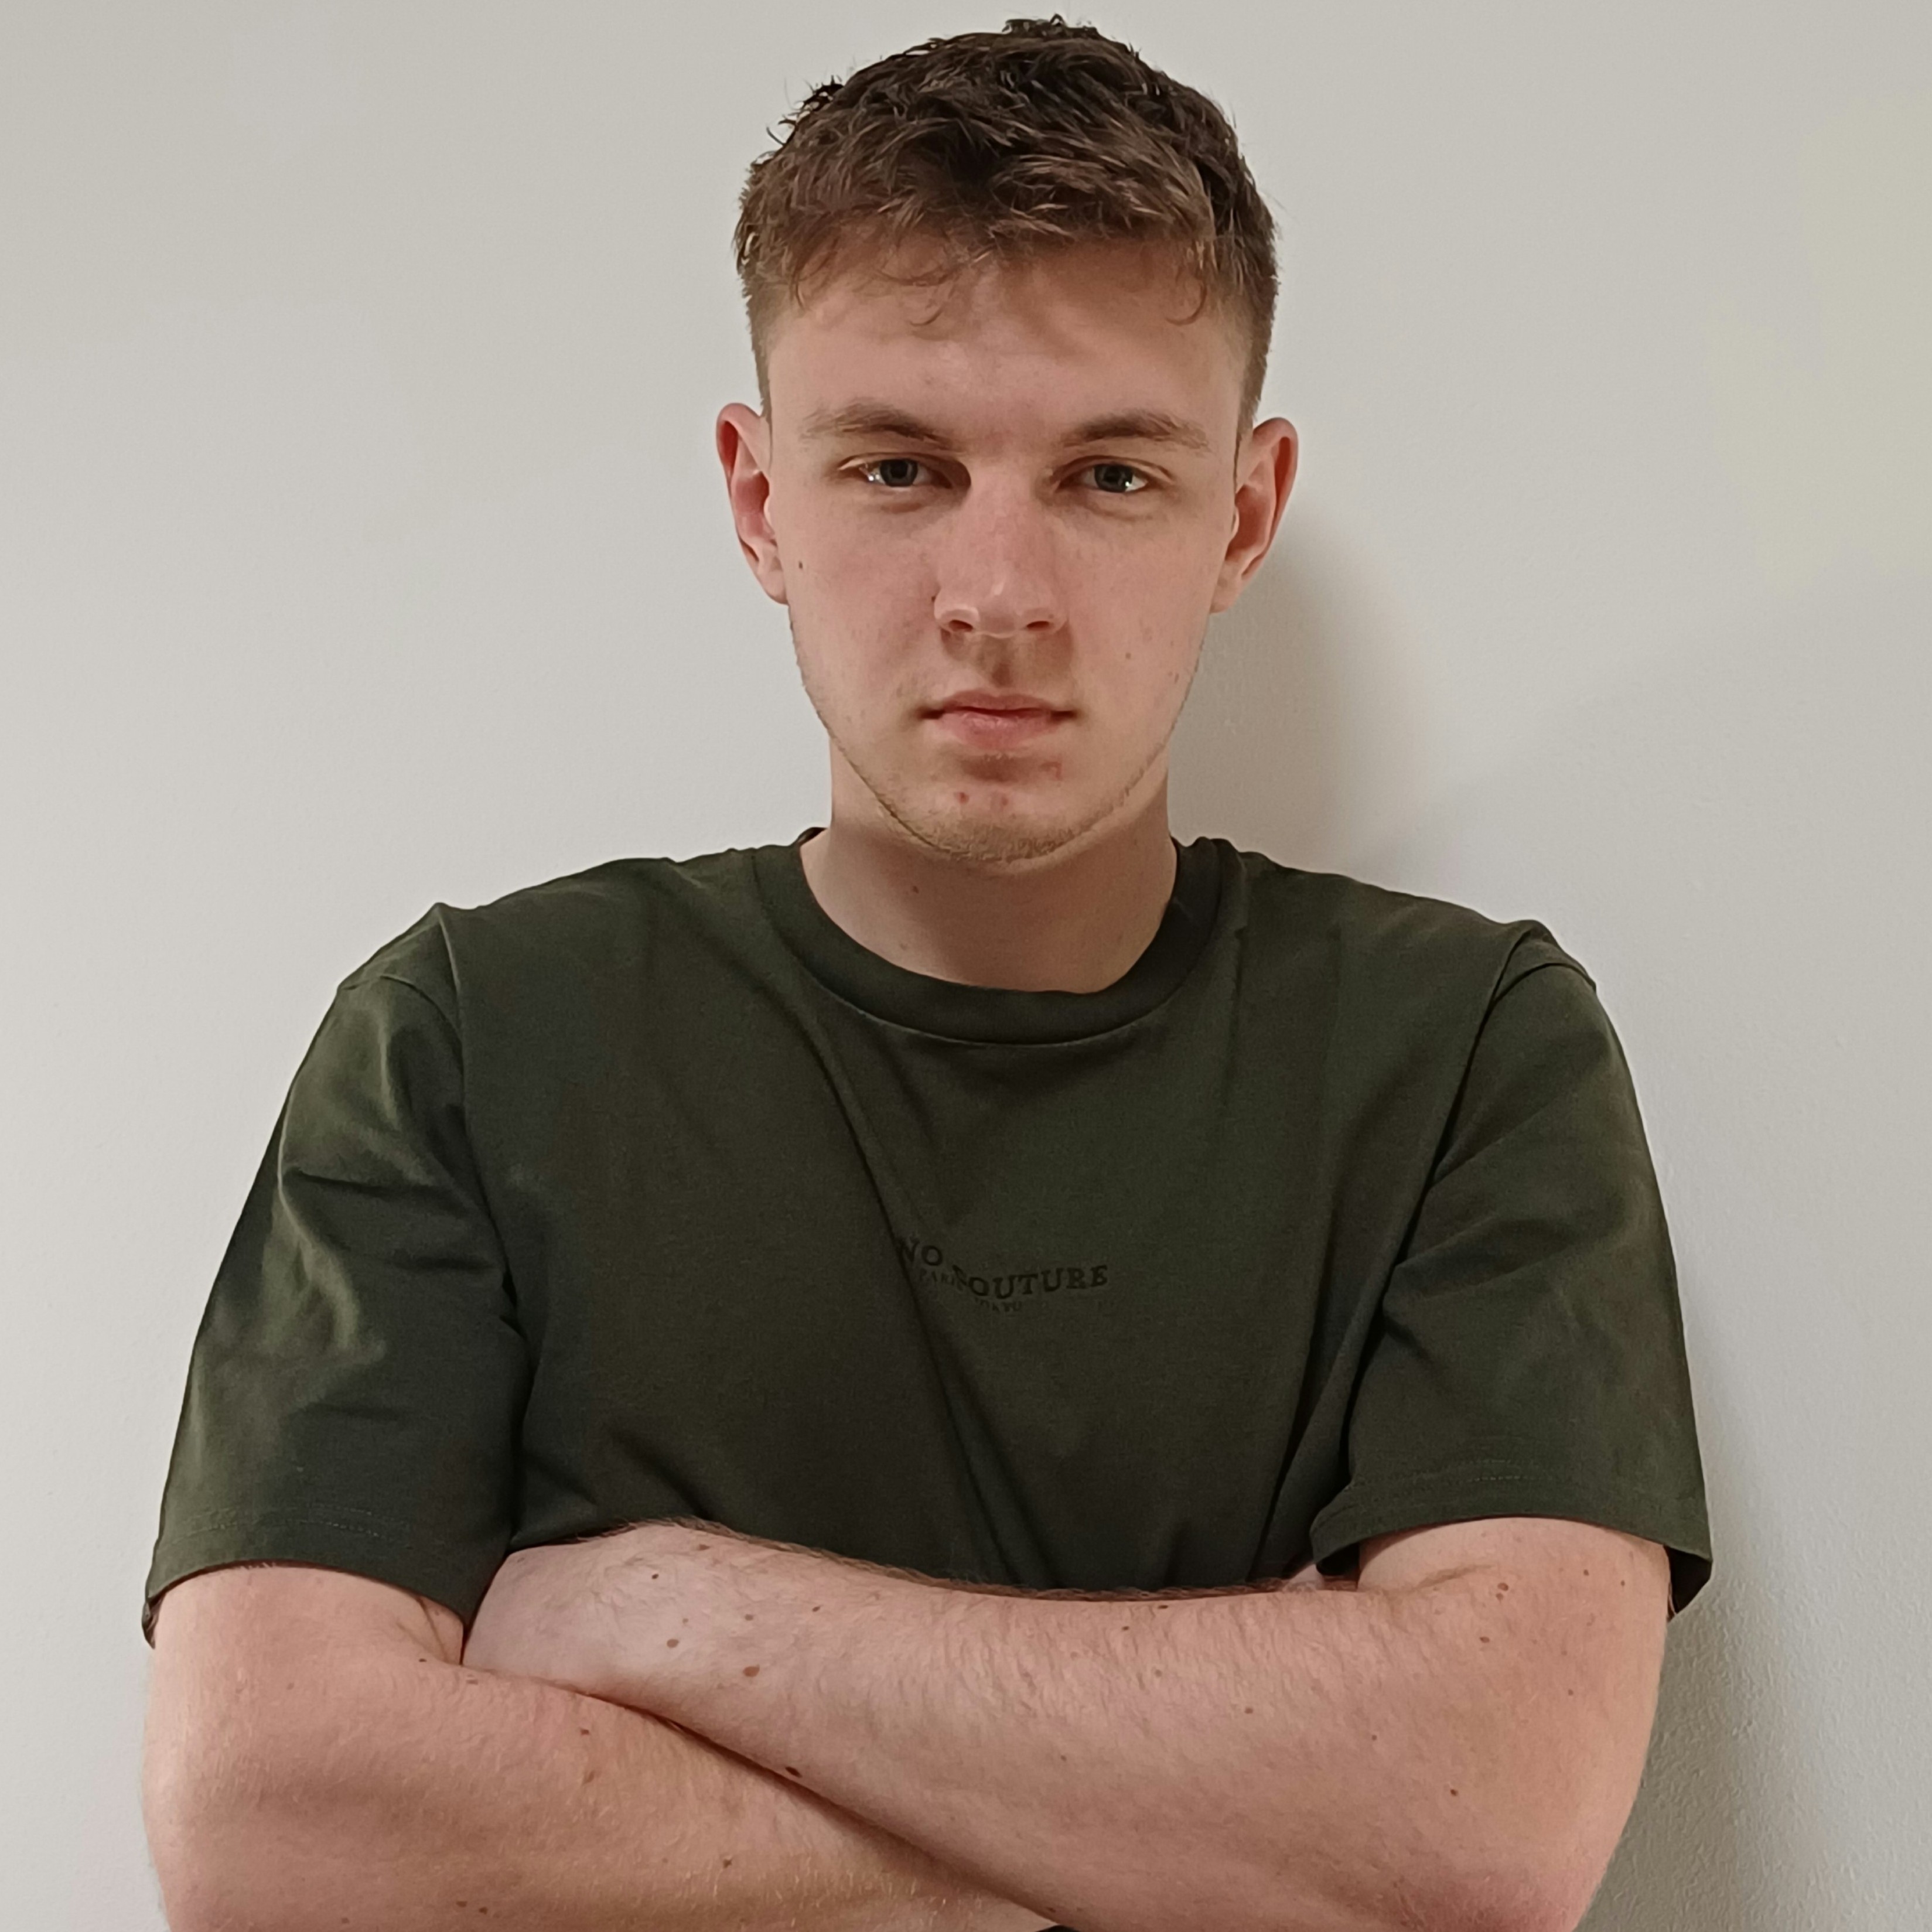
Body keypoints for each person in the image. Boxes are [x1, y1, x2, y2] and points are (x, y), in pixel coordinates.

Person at [140, 18, 1711, 1932]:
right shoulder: (471, 1034)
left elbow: (1487, 1815)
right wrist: (1181, 1832)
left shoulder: (1462, 1048)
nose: (996, 596)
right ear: (758, 501)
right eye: (897, 465)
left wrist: (671, 1610)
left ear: (1240, 514)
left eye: (1109, 475)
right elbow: (271, 1818)